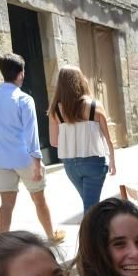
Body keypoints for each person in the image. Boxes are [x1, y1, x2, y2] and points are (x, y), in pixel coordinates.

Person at [0, 54, 62, 243]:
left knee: (6, 204)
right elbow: (31, 134)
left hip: (0, 159)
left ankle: (0, 244)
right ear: (21, 74)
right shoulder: (24, 99)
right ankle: (51, 235)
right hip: (24, 158)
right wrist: (37, 162)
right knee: (39, 200)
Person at [47, 65, 116, 213]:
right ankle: (89, 235)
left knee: (90, 204)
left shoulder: (55, 110)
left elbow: (54, 142)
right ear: (80, 81)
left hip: (70, 165)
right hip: (93, 162)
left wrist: (71, 138)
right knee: (91, 208)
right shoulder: (94, 105)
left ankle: (97, 231)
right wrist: (112, 161)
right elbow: (108, 138)